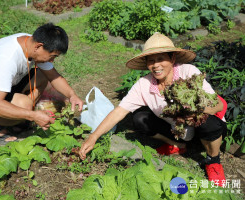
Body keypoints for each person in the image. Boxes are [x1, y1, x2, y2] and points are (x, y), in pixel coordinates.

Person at [79, 32, 227, 186]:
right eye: (151, 61)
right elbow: (119, 111)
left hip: (202, 129)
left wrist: (197, 111)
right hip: (177, 131)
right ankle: (177, 145)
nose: (156, 65)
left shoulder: (188, 72)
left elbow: (219, 104)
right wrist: (94, 136)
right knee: (140, 118)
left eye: (161, 59)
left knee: (208, 122)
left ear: (172, 59)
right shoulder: (144, 84)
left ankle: (213, 160)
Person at [0, 23, 83, 145]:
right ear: (38, 46)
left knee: (41, 75)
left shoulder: (31, 42)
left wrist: (72, 95)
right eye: (52, 56)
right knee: (25, 106)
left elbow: (53, 76)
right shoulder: (6, 59)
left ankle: (16, 117)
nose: (52, 61)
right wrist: (32, 115)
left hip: (1, 87)